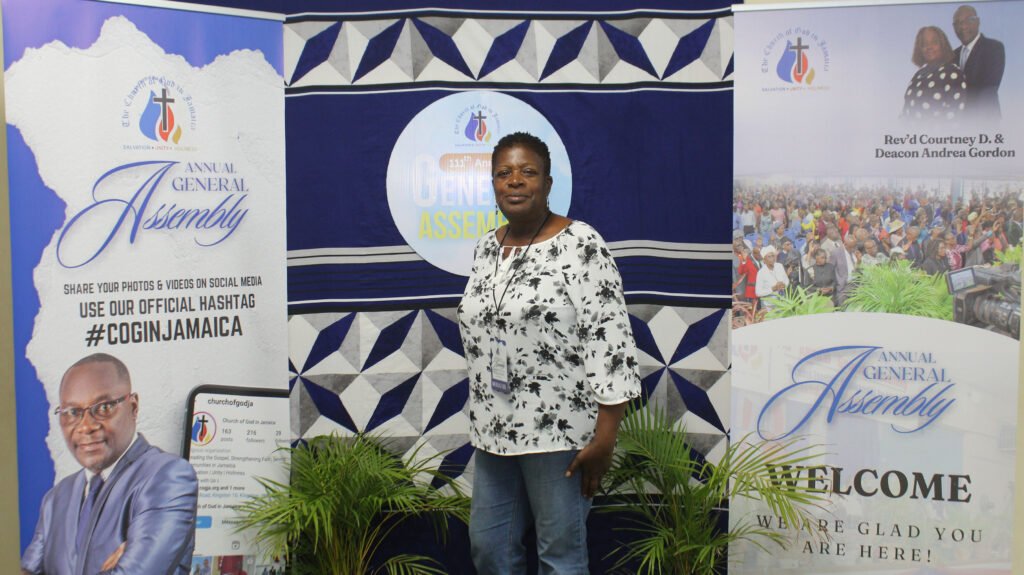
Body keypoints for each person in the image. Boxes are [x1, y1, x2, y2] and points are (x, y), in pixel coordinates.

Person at [457, 132, 641, 574]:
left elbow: (610, 338)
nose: (515, 181)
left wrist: (605, 437)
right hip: (494, 432)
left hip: (558, 432)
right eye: (504, 173)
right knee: (491, 551)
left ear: (548, 182)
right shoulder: (487, 248)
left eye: (527, 171)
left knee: (559, 557)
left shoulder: (582, 245)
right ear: (493, 184)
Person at [21, 353, 198, 575]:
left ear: (133, 407)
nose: (86, 426)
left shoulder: (168, 477)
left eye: (104, 408)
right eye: (72, 412)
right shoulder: (56, 499)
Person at [902, 26, 966, 122]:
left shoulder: (953, 74)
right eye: (924, 44)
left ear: (943, 45)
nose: (929, 47)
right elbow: (905, 113)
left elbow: (954, 119)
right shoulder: (918, 75)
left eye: (934, 42)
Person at [952, 5, 1005, 120]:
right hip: (956, 127)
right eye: (957, 23)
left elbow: (988, 88)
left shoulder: (993, 48)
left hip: (984, 123)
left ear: (978, 22)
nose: (963, 26)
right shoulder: (952, 56)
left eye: (968, 20)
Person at [755, 245, 789, 310]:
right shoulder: (761, 272)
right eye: (769, 257)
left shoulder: (779, 266)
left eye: (773, 256)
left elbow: (786, 280)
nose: (772, 258)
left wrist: (784, 285)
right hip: (768, 305)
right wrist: (772, 289)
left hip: (782, 300)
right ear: (764, 260)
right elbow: (758, 292)